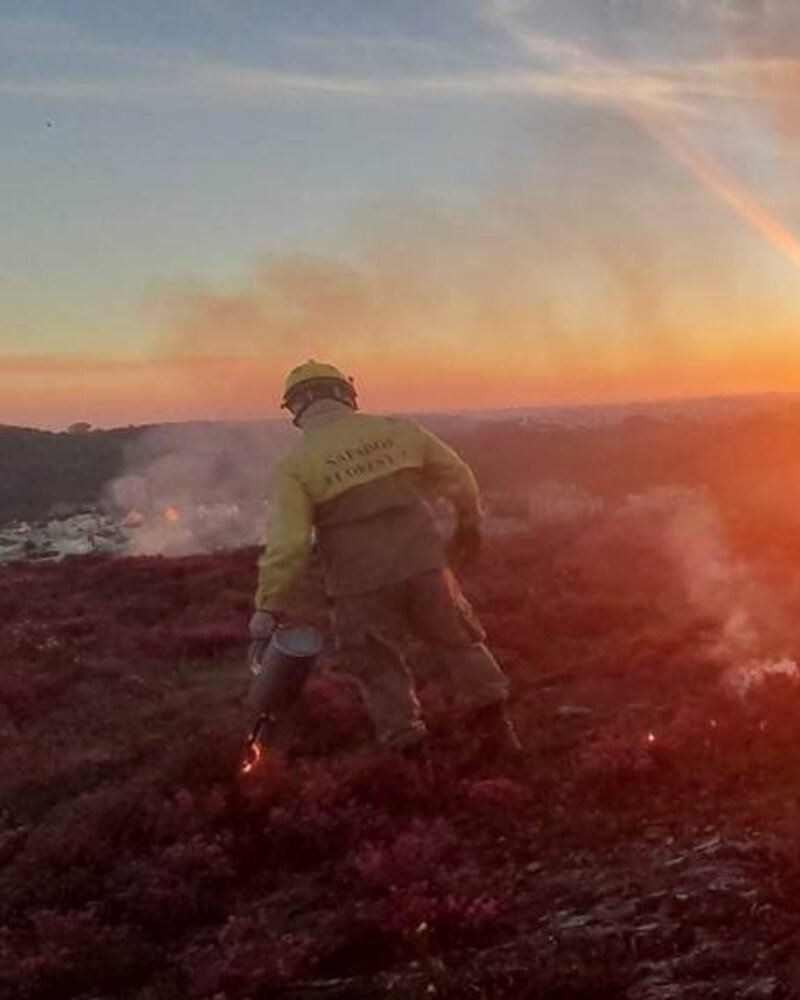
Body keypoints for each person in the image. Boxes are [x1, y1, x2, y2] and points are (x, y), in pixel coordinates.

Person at [250, 360, 522, 758]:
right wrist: (469, 525)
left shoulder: (295, 466)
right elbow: (459, 477)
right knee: (459, 643)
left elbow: (289, 544)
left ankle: (410, 755)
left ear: (295, 407)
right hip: (425, 564)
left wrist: (268, 606)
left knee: (379, 668)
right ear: (345, 393)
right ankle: (500, 732)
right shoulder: (399, 432)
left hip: (358, 585)